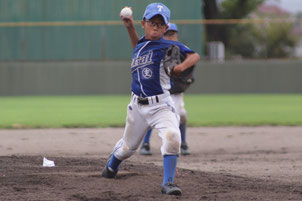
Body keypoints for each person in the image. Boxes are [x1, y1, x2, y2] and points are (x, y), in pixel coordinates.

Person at [101, 3, 200, 196]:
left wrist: (179, 68)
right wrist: (129, 27)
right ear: (144, 23)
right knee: (127, 149)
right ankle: (112, 165)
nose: (156, 26)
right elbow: (137, 46)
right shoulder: (141, 45)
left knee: (172, 136)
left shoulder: (168, 45)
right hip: (137, 107)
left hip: (161, 105)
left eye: (160, 24)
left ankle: (168, 183)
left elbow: (194, 56)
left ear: (165, 28)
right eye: (152, 22)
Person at [140, 23, 194, 156]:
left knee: (181, 114)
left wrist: (183, 74)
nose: (170, 37)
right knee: (151, 116)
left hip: (175, 93)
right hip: (158, 92)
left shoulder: (181, 50)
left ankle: (183, 143)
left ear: (176, 36)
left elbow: (191, 62)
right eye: (167, 34)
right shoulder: (156, 48)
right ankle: (145, 144)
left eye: (172, 34)